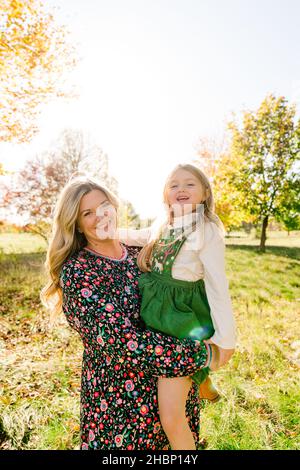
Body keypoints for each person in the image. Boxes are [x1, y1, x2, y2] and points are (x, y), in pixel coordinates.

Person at [40, 176, 225, 451]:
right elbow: (123, 343)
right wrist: (201, 355)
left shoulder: (144, 252)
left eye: (104, 205)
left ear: (114, 206)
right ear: (76, 224)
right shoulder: (79, 272)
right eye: (87, 213)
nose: (100, 215)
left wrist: (219, 331)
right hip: (121, 409)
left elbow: (190, 291)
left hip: (172, 392)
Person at [119, 163, 236, 450]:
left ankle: (201, 371)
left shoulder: (206, 230)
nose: (181, 189)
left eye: (189, 184)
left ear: (205, 193)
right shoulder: (165, 224)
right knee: (165, 391)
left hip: (182, 320)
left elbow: (217, 285)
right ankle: (201, 378)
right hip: (156, 316)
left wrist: (227, 340)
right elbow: (140, 236)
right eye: (174, 185)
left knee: (170, 415)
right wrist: (104, 233)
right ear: (165, 194)